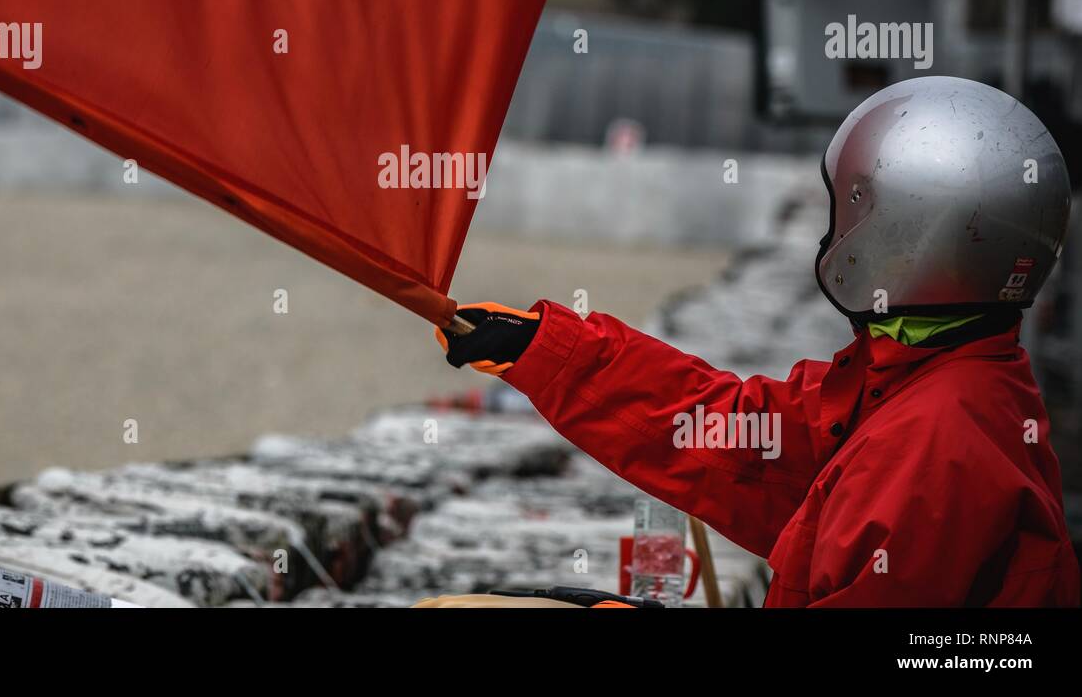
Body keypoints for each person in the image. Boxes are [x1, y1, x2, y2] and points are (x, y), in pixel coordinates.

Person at [432, 76, 1078, 607]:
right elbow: (730, 437)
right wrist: (551, 353)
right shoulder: (929, 380)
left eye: (850, 212)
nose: (833, 235)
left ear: (905, 236)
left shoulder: (932, 447)